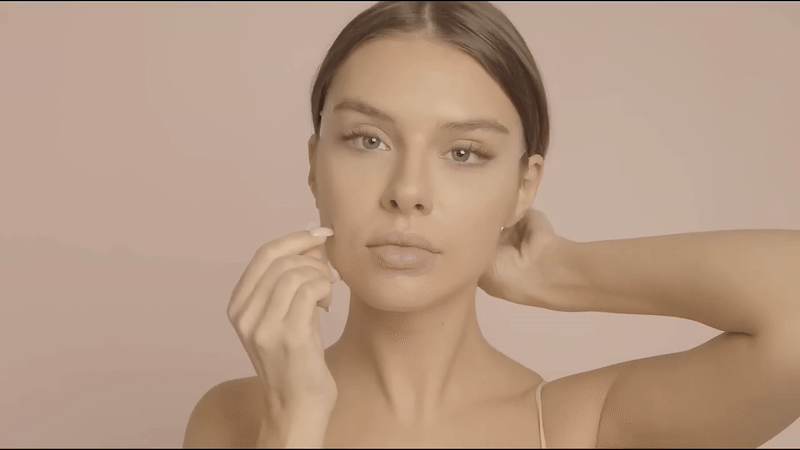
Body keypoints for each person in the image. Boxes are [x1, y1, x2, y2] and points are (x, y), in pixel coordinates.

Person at [182, 1, 800, 448]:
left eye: (463, 152)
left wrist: (559, 271)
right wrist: (294, 423)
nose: (407, 192)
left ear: (523, 188)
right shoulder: (238, 419)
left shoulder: (576, 428)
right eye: (368, 140)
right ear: (316, 166)